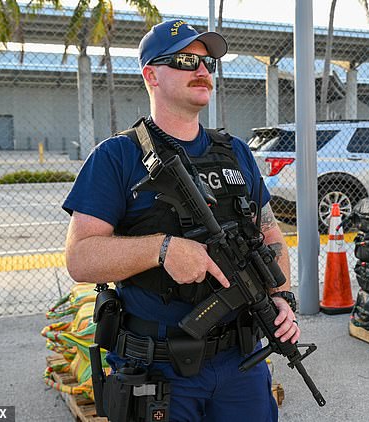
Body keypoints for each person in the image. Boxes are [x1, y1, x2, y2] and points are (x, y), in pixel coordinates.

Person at [63, 19, 298, 422]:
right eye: (187, 60)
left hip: (240, 363)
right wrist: (162, 249)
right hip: (160, 369)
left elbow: (270, 235)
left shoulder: (236, 153)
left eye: (208, 63)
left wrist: (281, 298)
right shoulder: (116, 157)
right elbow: (80, 259)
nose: (203, 71)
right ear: (151, 75)